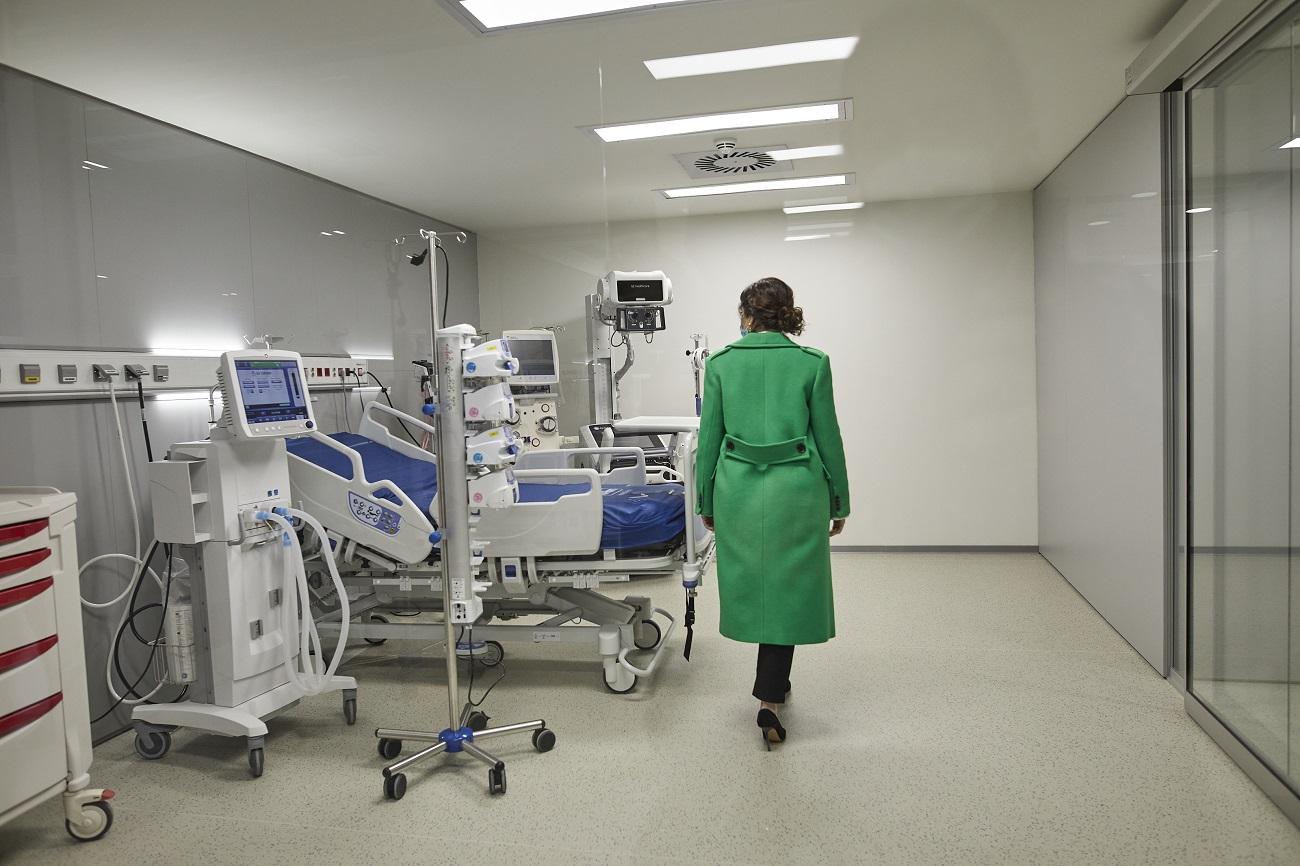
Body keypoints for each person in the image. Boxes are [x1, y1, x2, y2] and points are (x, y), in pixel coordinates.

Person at [695, 276, 850, 750]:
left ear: (746, 315)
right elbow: (828, 437)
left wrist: (706, 499)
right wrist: (839, 499)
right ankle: (770, 697)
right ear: (788, 315)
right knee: (789, 588)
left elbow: (710, 439)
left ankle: (772, 691)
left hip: (739, 490)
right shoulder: (813, 363)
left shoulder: (719, 365)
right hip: (797, 491)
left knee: (755, 586)